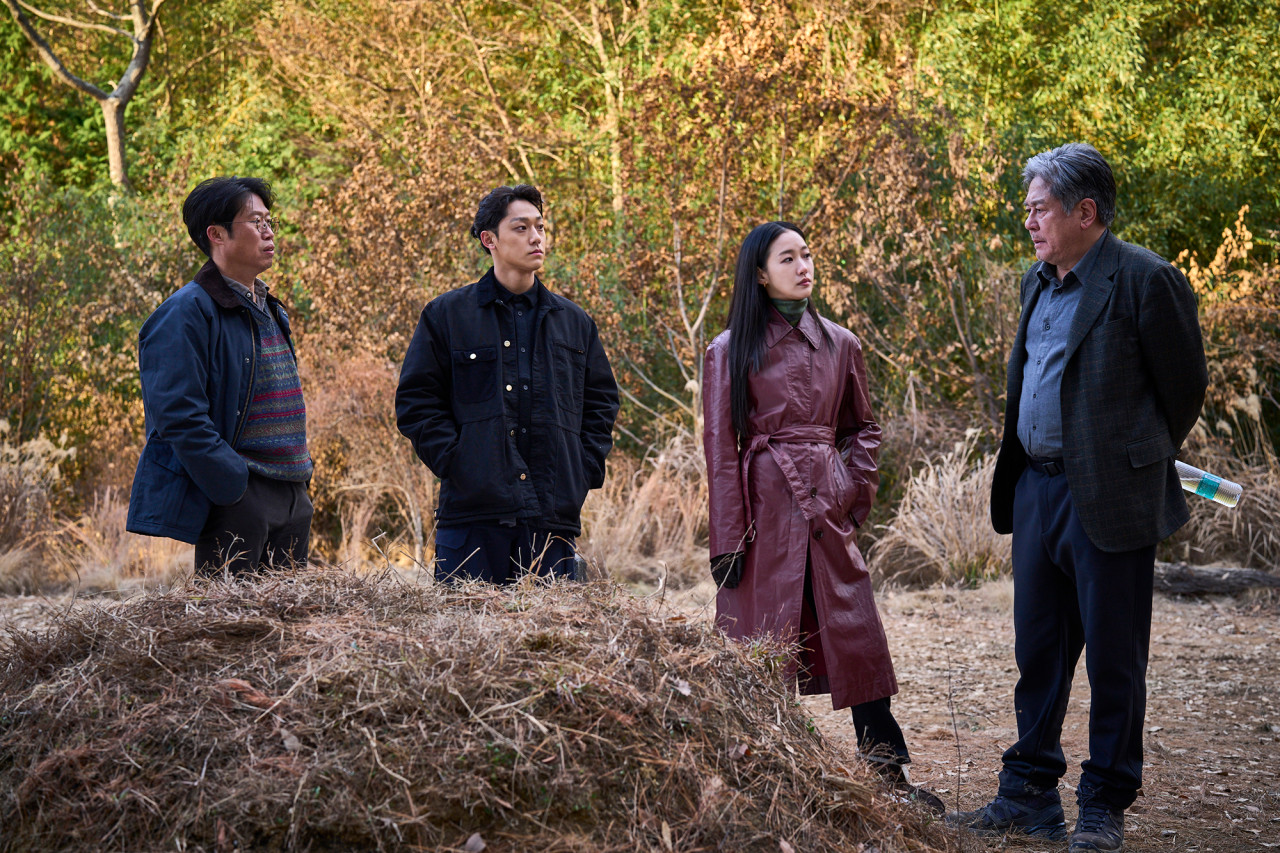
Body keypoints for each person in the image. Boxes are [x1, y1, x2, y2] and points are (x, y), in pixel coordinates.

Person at [950, 144, 1208, 851]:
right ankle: (1029, 793)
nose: (1028, 221)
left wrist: (1128, 458)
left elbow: (1184, 388)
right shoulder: (1036, 281)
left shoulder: (1147, 279)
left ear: (1084, 211)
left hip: (1112, 496)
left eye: (1039, 209)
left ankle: (1103, 804)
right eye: (1028, 209)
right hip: (1035, 489)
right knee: (1039, 651)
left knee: (1114, 660)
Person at [703, 220, 942, 814]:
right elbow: (720, 449)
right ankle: (757, 777)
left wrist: (852, 493)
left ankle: (887, 775)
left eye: (807, 254)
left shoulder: (842, 342)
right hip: (763, 511)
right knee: (760, 642)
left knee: (857, 633)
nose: (803, 266)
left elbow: (863, 428)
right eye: (788, 258)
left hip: (828, 508)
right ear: (761, 275)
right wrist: (727, 538)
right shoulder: (728, 349)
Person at [396, 184, 619, 583]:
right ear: (490, 240)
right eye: (521, 227)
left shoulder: (575, 323)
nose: (536, 237)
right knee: (464, 625)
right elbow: (416, 402)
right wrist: (459, 462)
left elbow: (601, 405)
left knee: (551, 626)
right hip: (471, 522)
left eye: (541, 227)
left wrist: (581, 471)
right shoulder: (447, 315)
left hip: (552, 523)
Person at [127, 176, 314, 575]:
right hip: (240, 497)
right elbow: (178, 416)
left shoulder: (268, 306)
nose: (268, 232)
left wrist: (300, 484)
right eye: (255, 222)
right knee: (233, 615)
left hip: (292, 494)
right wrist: (232, 484)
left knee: (293, 616)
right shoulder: (185, 313)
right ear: (216, 234)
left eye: (269, 222)